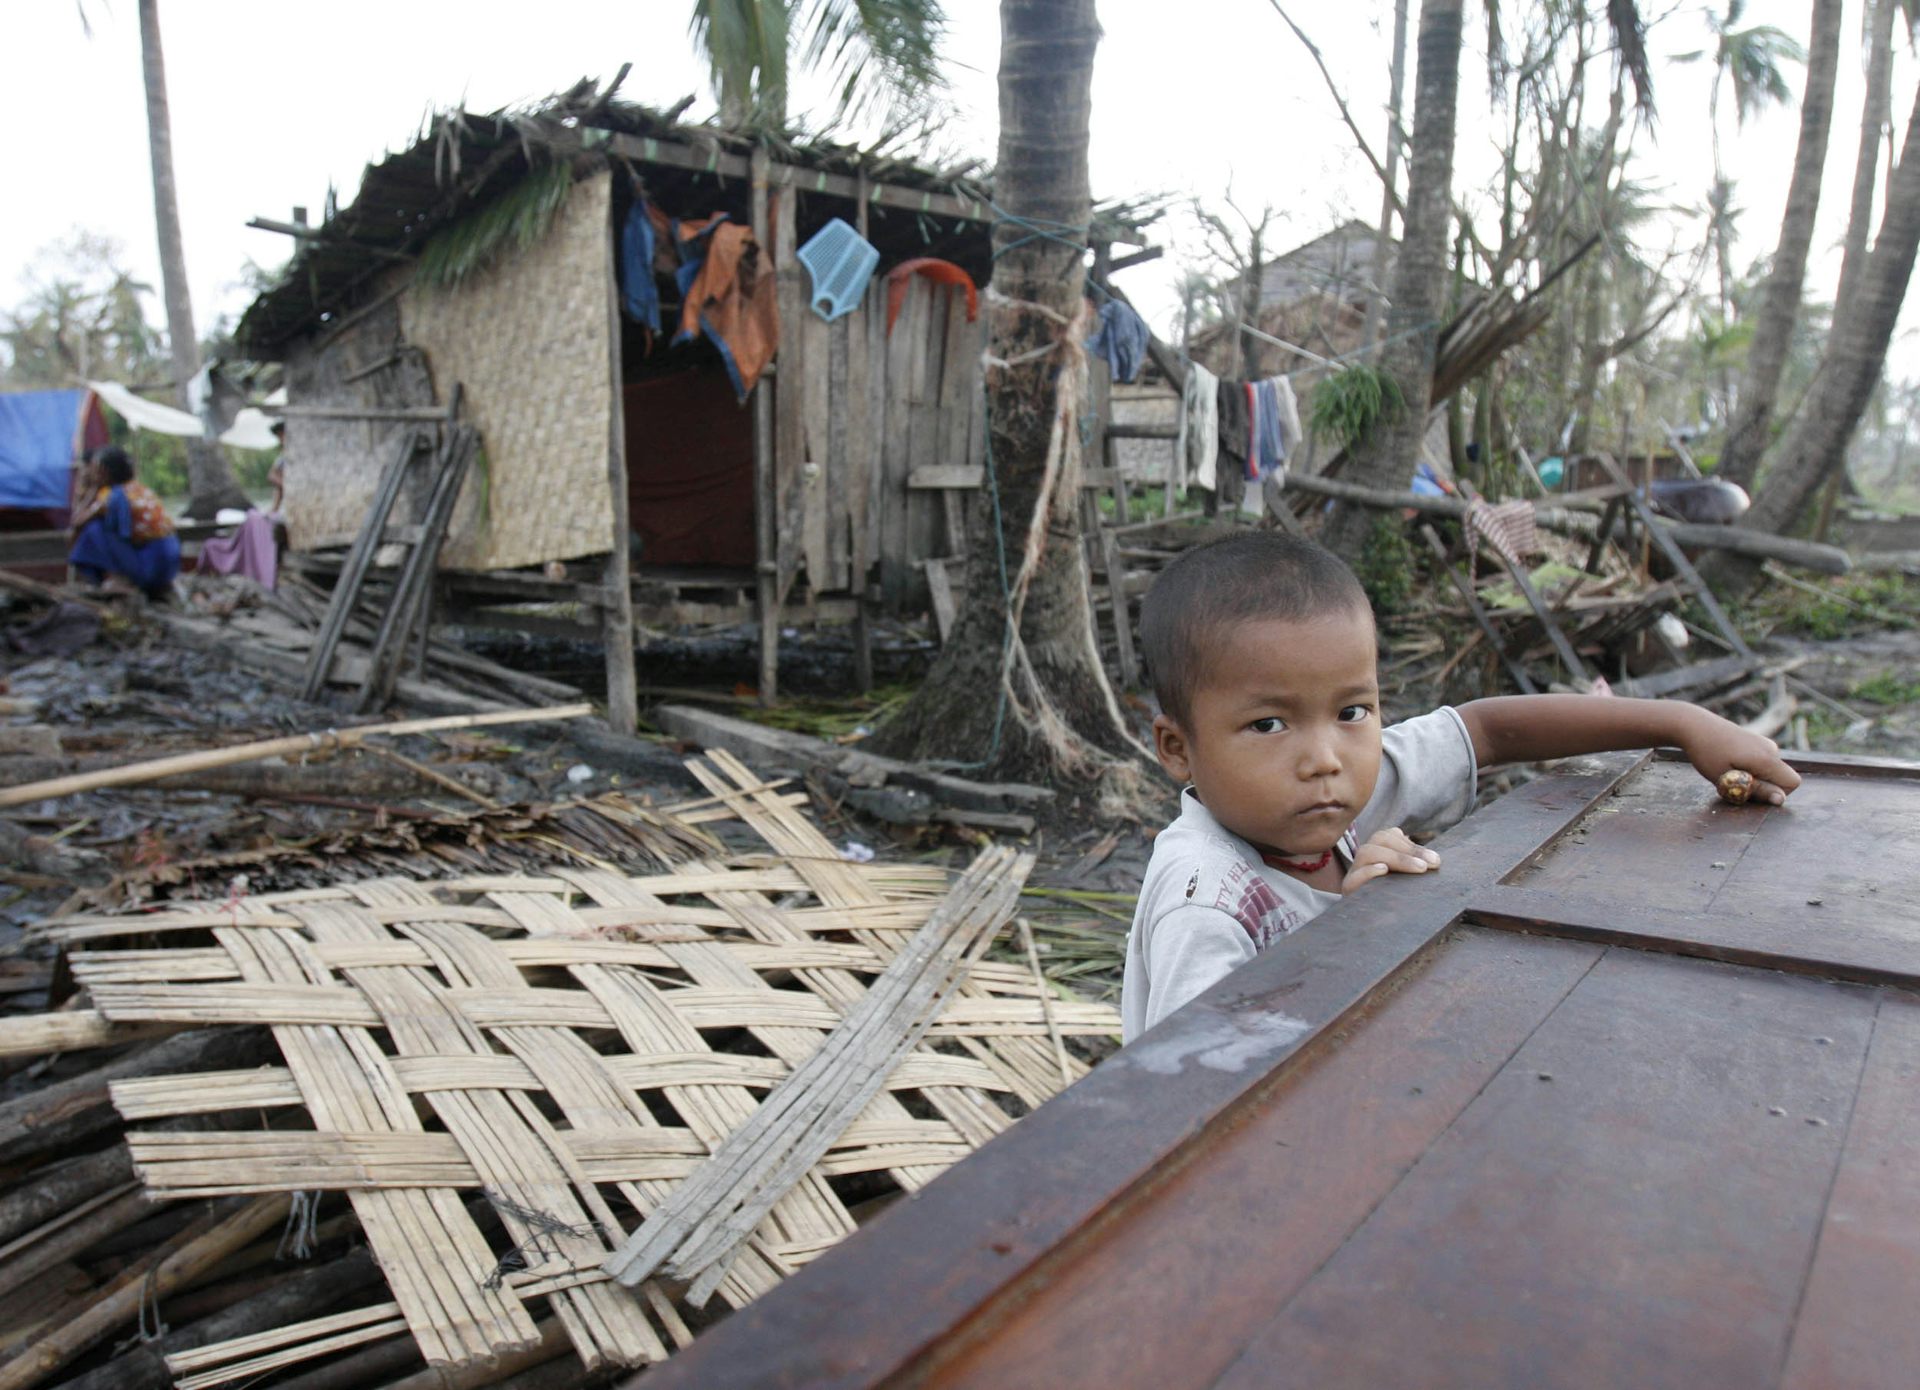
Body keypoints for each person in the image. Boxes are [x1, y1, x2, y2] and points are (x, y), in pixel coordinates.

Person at [1121, 531, 1800, 1042]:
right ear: (1178, 749)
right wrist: (1355, 940)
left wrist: (1680, 724)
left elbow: (1487, 730)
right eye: (1269, 724)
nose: (1325, 758)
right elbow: (1194, 1097)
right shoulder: (1204, 908)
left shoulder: (1330, 795)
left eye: (1352, 711)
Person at [68, 446, 181, 600]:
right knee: (99, 526)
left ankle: (117, 579)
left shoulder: (113, 496)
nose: (91, 473)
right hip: (169, 566)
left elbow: (77, 522)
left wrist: (92, 489)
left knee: (93, 529)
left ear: (104, 472)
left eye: (94, 469)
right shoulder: (140, 489)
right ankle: (155, 584)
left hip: (149, 567)